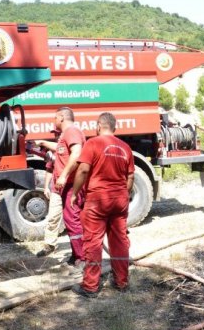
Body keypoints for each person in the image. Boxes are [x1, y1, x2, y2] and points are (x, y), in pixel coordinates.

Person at [70, 112, 135, 297]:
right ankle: (121, 282)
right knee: (120, 240)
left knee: (93, 242)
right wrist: (123, 194)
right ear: (114, 127)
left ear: (98, 126)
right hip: (120, 200)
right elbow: (130, 177)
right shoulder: (125, 147)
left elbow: (83, 169)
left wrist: (75, 193)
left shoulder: (93, 143)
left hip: (98, 200)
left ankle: (90, 286)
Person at [33, 107, 86, 272]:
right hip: (65, 186)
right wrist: (42, 143)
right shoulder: (66, 134)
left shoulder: (72, 131)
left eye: (55, 118)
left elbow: (76, 153)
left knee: (73, 221)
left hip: (71, 185)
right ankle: (76, 256)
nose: (53, 121)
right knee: (70, 221)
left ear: (62, 117)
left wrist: (63, 175)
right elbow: (60, 149)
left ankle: (82, 259)